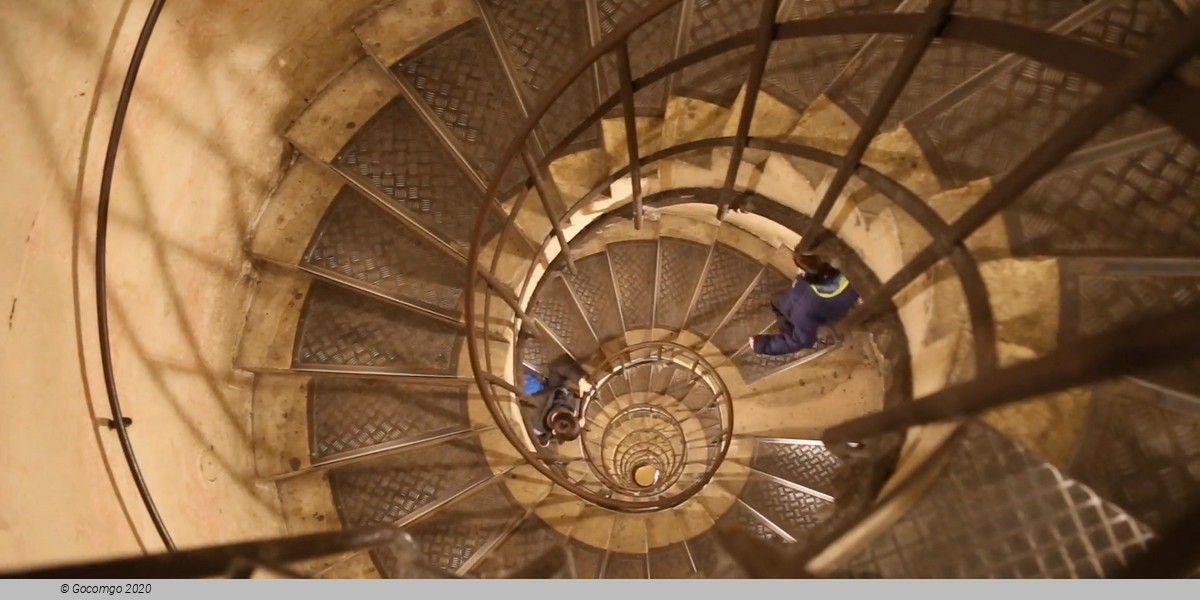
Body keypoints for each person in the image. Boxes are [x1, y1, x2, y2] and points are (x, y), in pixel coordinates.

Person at [749, 249, 859, 356]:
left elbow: (801, 340)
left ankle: (787, 331)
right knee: (778, 305)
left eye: (802, 269)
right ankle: (786, 329)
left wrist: (763, 345)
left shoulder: (806, 311)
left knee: (780, 309)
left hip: (795, 309)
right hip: (809, 307)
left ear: (812, 277)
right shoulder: (855, 282)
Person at [525, 356, 586, 447]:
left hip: (539, 395)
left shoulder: (563, 396)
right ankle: (543, 439)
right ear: (553, 431)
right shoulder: (535, 421)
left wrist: (580, 380)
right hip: (527, 394)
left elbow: (559, 363)